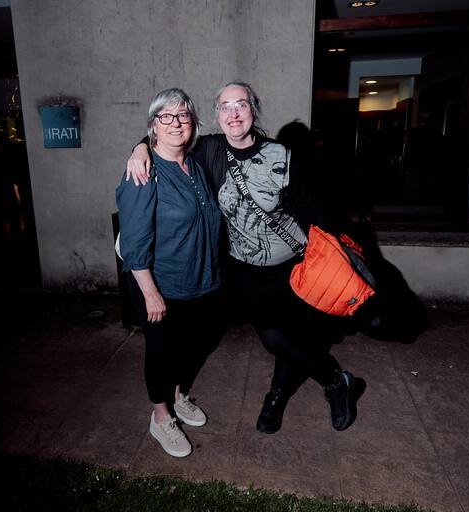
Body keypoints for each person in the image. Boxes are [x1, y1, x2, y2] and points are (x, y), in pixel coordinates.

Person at [127, 81, 361, 435]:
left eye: (241, 105)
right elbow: (167, 135)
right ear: (216, 115)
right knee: (274, 338)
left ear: (254, 110)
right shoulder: (208, 149)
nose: (233, 113)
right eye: (225, 106)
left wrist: (333, 254)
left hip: (295, 265)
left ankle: (279, 395)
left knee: (292, 335)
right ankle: (334, 378)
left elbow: (314, 208)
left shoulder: (282, 155)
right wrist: (139, 149)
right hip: (246, 270)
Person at [116, 88, 222, 457]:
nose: (176, 123)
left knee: (190, 346)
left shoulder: (195, 165)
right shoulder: (143, 171)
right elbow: (133, 242)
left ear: (193, 123)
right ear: (153, 126)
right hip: (160, 283)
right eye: (166, 116)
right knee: (161, 351)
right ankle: (161, 417)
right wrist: (150, 293)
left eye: (183, 115)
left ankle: (177, 396)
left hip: (199, 280)